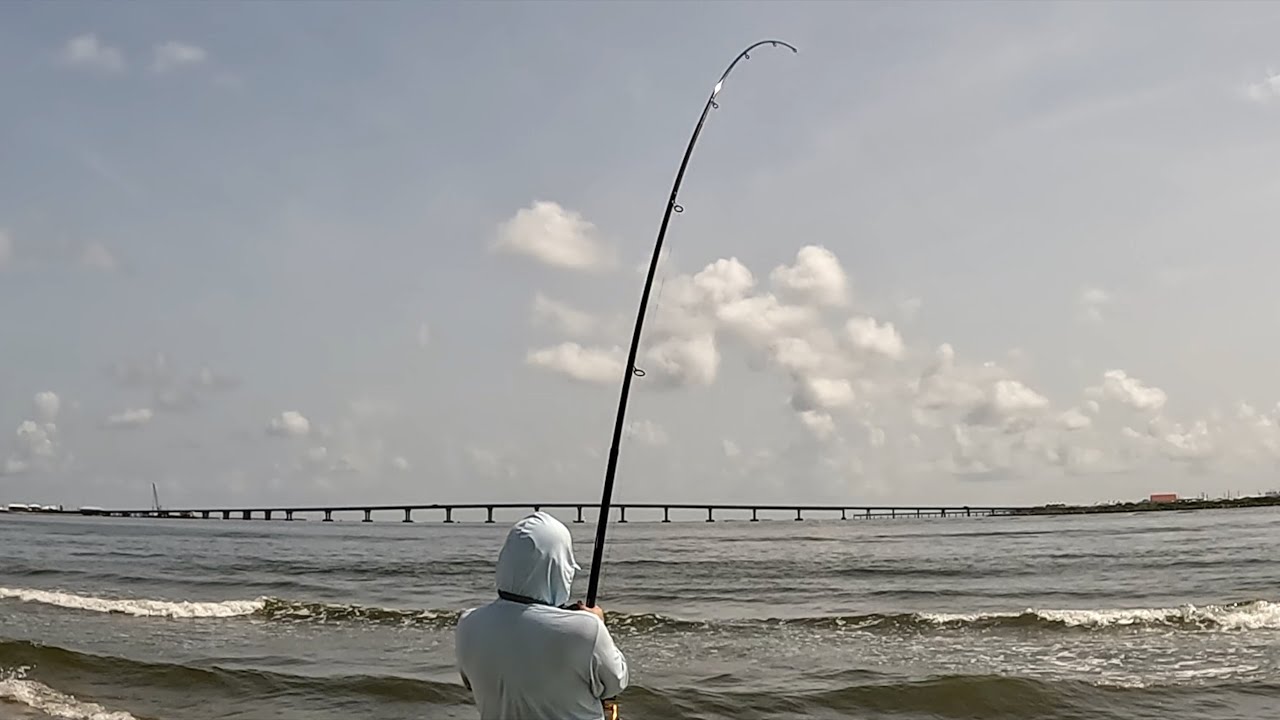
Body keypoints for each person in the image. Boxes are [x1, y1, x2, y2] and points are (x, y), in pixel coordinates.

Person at [455, 511, 629, 720]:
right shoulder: (586, 629)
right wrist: (599, 623)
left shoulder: (468, 624)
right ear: (560, 567)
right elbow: (616, 683)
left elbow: (470, 684)